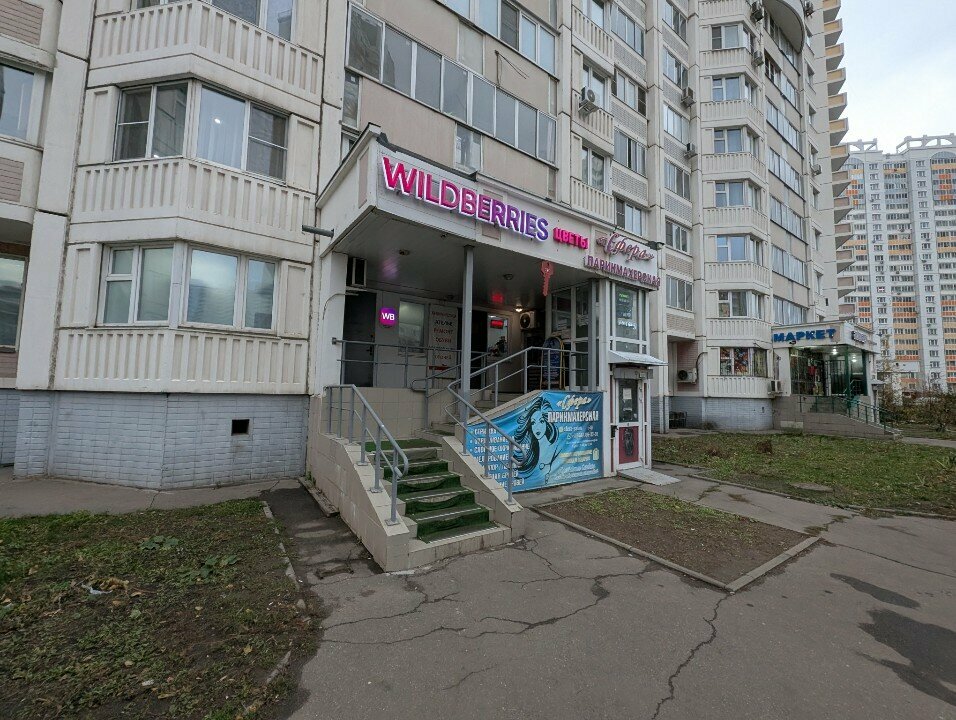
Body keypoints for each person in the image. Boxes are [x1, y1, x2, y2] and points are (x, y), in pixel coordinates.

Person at [514, 396, 560, 482]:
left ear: (547, 423)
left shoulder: (555, 447)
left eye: (541, 421)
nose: (537, 427)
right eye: (533, 423)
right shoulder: (530, 450)